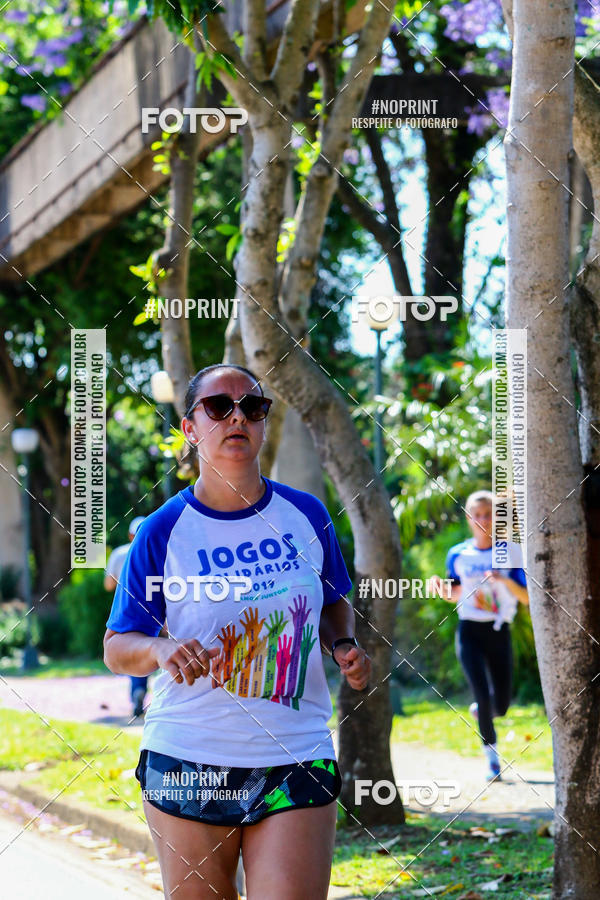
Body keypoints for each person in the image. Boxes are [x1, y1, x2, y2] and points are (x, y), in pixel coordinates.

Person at [103, 363, 371, 900]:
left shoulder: (306, 514)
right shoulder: (162, 531)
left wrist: (342, 644)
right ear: (190, 427)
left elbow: (334, 600)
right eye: (219, 407)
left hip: (294, 753)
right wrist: (161, 647)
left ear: (265, 423)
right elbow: (117, 646)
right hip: (189, 759)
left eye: (253, 407)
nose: (238, 417)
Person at [429, 490, 528, 781]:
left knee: (502, 704)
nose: (482, 520)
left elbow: (526, 598)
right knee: (482, 696)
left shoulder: (510, 552)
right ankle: (493, 762)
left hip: (499, 630)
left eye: (488, 514)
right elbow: (453, 592)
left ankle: (483, 711)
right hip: (469, 629)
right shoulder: (459, 554)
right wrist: (441, 588)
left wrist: (504, 579)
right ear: (469, 518)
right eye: (477, 514)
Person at [104, 515, 148, 717]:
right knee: (150, 648)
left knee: (131, 649)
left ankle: (137, 690)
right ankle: (141, 688)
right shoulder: (158, 550)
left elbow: (108, 585)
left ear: (130, 534)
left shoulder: (120, 553)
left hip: (125, 611)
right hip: (154, 610)